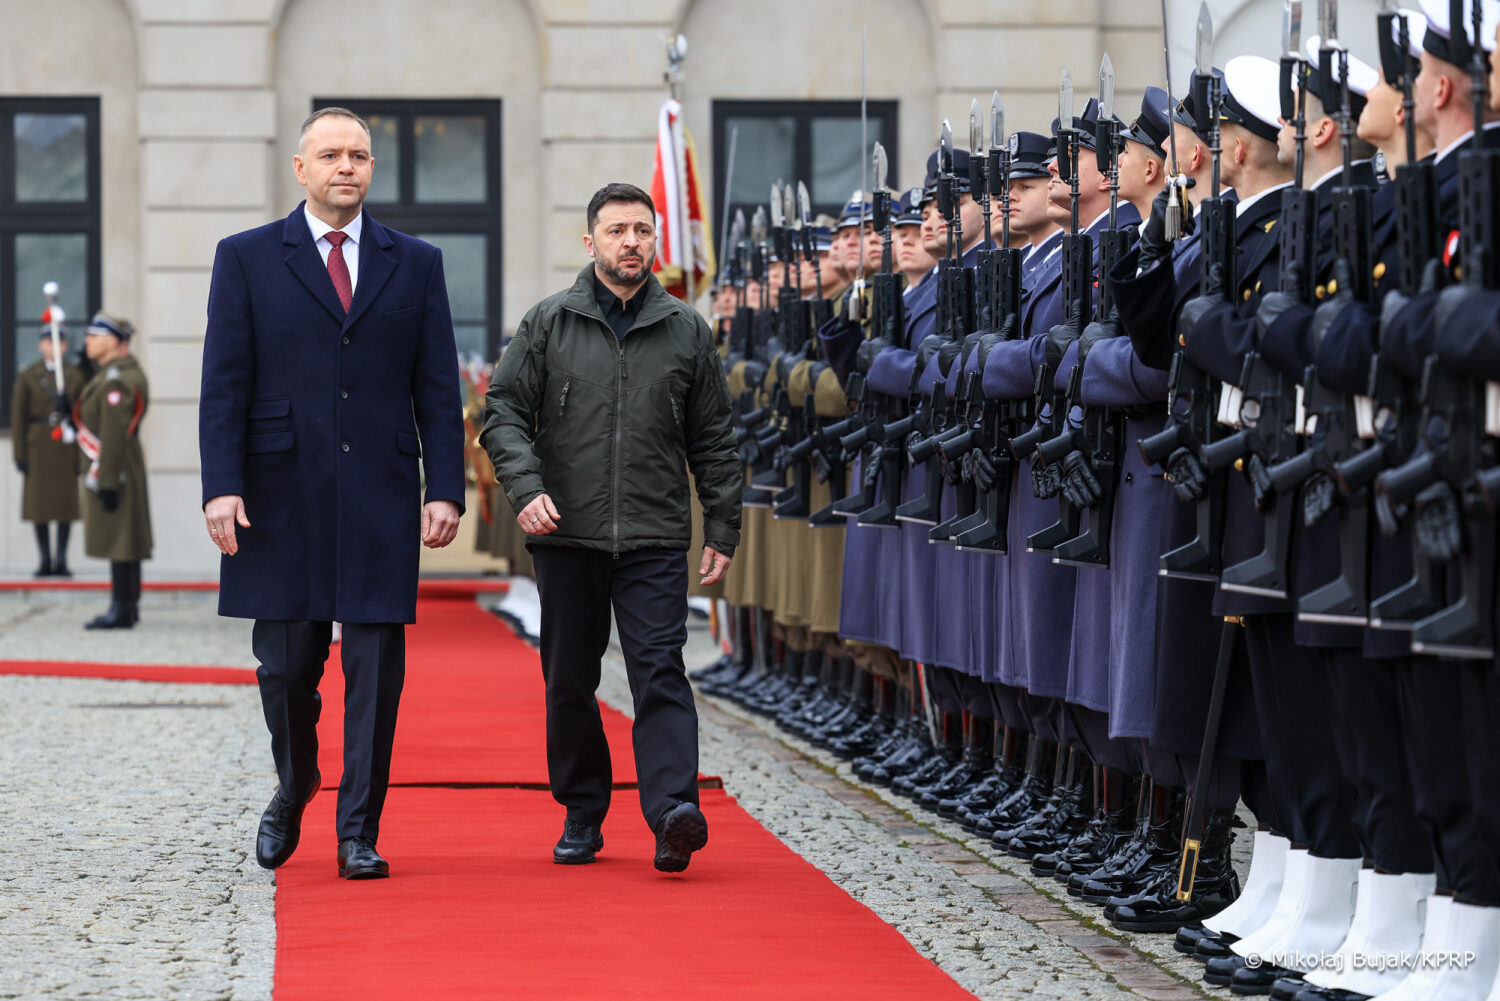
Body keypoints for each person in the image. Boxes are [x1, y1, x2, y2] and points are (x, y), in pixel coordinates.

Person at [199, 106, 465, 881]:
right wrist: (223, 487)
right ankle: (297, 782)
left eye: (359, 155)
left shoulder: (415, 263)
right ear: (301, 168)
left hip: (381, 490)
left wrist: (442, 486)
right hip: (280, 495)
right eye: (331, 155)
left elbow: (439, 390)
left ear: (370, 168)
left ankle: (359, 830)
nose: (346, 166)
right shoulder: (246, 258)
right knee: (284, 669)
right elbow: (223, 385)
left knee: (377, 673)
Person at [482, 181, 742, 873]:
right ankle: (583, 807)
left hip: (654, 535)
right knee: (568, 677)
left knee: (660, 669)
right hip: (567, 534)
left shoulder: (685, 328)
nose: (632, 242)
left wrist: (722, 524)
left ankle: (671, 812)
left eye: (642, 231)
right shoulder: (548, 323)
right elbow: (501, 411)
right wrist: (526, 486)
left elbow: (714, 436)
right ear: (590, 240)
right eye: (618, 230)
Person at [75, 313, 151, 628]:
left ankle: (122, 608)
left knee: (121, 539)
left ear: (113, 342)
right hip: (120, 464)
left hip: (115, 467)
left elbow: (113, 435)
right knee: (123, 538)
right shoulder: (111, 374)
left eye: (94, 336)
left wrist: (107, 481)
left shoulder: (116, 380)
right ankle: (127, 605)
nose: (87, 342)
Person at [12, 315, 84, 577]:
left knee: (65, 505)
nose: (52, 347)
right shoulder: (29, 375)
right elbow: (18, 418)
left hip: (65, 445)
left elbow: (82, 415)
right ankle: (44, 559)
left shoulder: (74, 375)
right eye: (48, 341)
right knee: (39, 506)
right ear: (41, 345)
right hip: (39, 445)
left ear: (64, 346)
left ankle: (62, 559)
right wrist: (19, 454)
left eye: (57, 342)